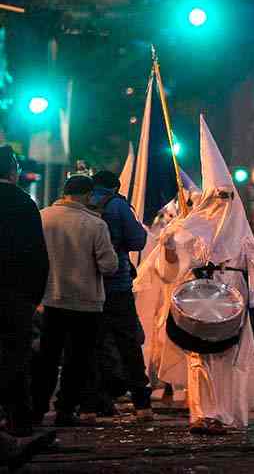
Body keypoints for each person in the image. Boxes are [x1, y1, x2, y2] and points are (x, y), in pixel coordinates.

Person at [134, 117, 254, 435]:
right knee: (198, 358)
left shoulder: (243, 239)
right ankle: (203, 414)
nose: (221, 205)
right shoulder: (190, 231)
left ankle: (226, 413)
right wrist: (169, 249)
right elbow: (169, 272)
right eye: (215, 197)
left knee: (229, 361)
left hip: (233, 306)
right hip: (198, 304)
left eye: (226, 198)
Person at [32, 174, 118, 426]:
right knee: (77, 360)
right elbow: (109, 265)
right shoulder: (95, 224)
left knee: (47, 357)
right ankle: (65, 409)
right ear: (88, 195)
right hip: (85, 302)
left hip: (50, 299)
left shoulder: (42, 217)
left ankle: (37, 408)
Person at [0, 146, 57, 467]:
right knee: (15, 357)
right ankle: (18, 421)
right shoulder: (23, 203)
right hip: (16, 295)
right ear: (13, 171)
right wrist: (34, 297)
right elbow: (36, 255)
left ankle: (17, 425)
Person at [85, 168, 152, 420]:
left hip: (86, 287)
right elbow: (137, 241)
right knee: (128, 343)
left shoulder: (82, 204)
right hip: (117, 285)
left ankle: (93, 404)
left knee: (91, 346)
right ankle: (142, 404)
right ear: (115, 187)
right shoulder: (118, 206)